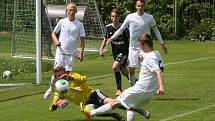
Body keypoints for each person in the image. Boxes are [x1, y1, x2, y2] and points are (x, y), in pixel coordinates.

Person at [83, 33, 165, 121]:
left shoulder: (150, 58)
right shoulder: (156, 54)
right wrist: (144, 58)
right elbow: (155, 65)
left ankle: (90, 113)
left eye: (140, 45)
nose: (140, 47)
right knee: (130, 106)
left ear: (144, 44)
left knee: (115, 102)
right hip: (149, 92)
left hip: (140, 89)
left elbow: (158, 71)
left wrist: (161, 87)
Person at [107, 0, 167, 86]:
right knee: (131, 69)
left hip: (145, 49)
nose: (140, 8)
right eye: (138, 6)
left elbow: (156, 30)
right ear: (136, 6)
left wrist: (162, 43)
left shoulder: (149, 17)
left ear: (144, 6)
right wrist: (112, 38)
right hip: (133, 48)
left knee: (150, 68)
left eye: (142, 6)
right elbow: (121, 29)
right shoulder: (130, 17)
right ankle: (132, 87)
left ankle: (155, 86)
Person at [50, 66, 126, 121]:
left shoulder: (72, 75)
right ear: (56, 78)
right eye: (58, 76)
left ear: (65, 73)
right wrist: (56, 105)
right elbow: (51, 108)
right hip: (85, 103)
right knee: (89, 112)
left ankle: (130, 107)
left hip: (92, 94)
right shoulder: (59, 91)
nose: (61, 77)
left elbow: (84, 79)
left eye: (62, 74)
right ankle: (114, 115)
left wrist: (71, 78)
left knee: (109, 102)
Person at [44, 3, 86, 99]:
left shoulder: (79, 24)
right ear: (67, 11)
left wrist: (81, 52)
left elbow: (82, 40)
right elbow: (53, 33)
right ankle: (51, 88)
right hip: (60, 52)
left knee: (66, 75)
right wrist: (56, 41)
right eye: (69, 10)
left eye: (73, 10)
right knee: (57, 74)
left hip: (71, 54)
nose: (71, 12)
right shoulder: (62, 22)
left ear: (76, 11)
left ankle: (61, 94)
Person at [99, 9, 129, 96]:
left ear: (119, 17)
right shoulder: (108, 27)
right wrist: (101, 49)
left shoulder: (124, 27)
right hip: (115, 53)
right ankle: (136, 82)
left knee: (115, 67)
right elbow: (105, 39)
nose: (114, 18)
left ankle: (119, 89)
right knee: (123, 71)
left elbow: (130, 39)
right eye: (113, 16)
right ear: (111, 17)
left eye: (116, 16)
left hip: (124, 52)